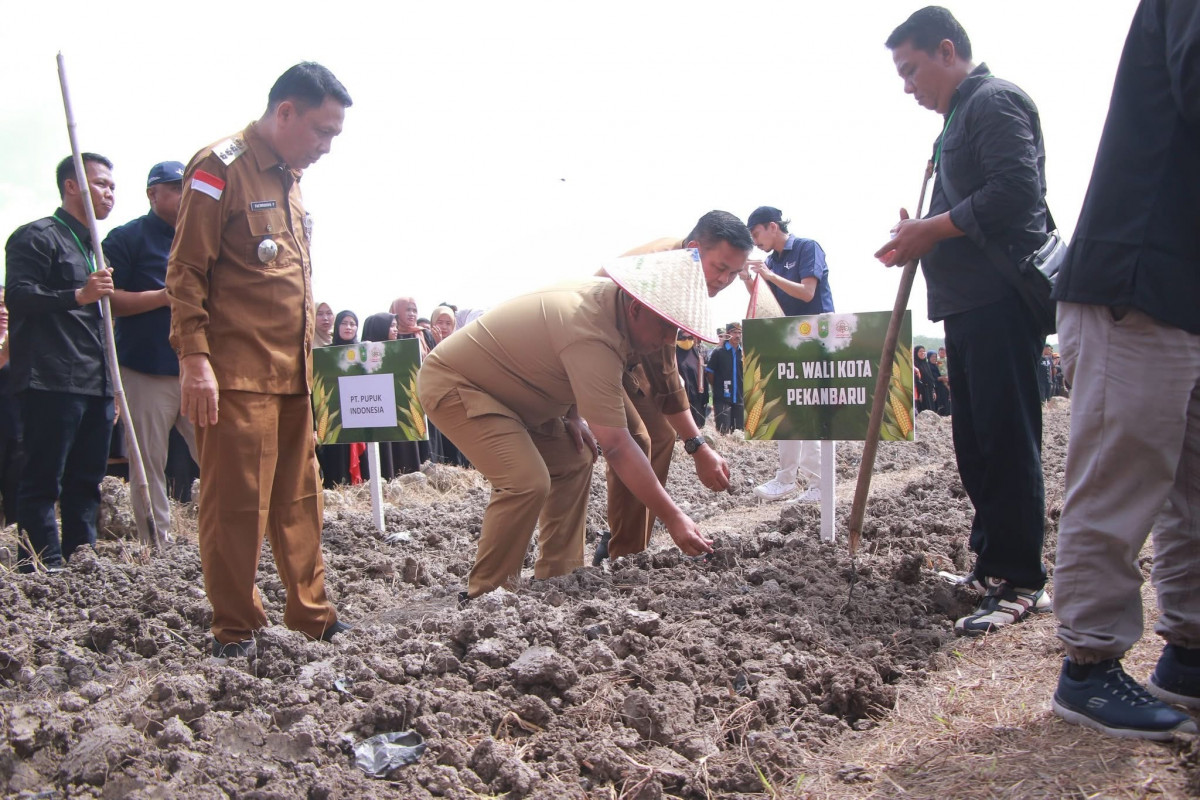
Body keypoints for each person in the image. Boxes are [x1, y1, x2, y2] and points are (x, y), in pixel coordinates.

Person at [1049, 0, 1200, 740]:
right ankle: (1089, 666)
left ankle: (1191, 653)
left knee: (1195, 491)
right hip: (1135, 284)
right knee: (1120, 480)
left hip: (1186, 291)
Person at [167, 62, 352, 660]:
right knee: (236, 507)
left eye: (334, 136)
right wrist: (195, 359)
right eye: (322, 131)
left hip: (293, 375)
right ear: (286, 112)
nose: (326, 147)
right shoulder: (219, 169)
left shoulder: (291, 179)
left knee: (301, 502)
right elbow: (186, 271)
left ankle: (311, 614)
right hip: (236, 375)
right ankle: (236, 628)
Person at [877, 7, 1051, 635]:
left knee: (1006, 438)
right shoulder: (954, 121)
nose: (907, 86)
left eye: (911, 68)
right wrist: (915, 236)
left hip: (1001, 301)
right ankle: (991, 565)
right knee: (975, 441)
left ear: (946, 50)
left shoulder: (995, 102)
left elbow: (1016, 192)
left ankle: (1022, 580)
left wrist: (934, 228)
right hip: (967, 306)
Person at [418, 251, 716, 597]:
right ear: (636, 308)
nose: (669, 339)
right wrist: (673, 517)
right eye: (666, 326)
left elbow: (557, 354)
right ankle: (487, 596)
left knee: (575, 457)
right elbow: (618, 445)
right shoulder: (592, 329)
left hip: (520, 394)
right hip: (460, 384)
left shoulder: (612, 309)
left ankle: (558, 577)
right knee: (525, 481)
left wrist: (573, 414)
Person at [595, 211, 749, 565]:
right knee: (637, 439)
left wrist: (695, 445)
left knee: (662, 436)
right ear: (695, 249)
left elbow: (663, 376)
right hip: (596, 346)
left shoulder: (685, 267)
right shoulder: (664, 273)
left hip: (628, 354)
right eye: (720, 268)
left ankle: (631, 544)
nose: (724, 280)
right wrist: (698, 447)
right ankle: (625, 551)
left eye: (734, 273)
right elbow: (664, 374)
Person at [5, 153, 116, 573]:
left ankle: (80, 560)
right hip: (50, 378)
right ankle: (41, 567)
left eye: (111, 186)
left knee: (86, 484)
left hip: (97, 381)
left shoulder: (97, 249)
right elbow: (18, 296)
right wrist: (77, 295)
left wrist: (113, 385)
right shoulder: (36, 237)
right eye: (101, 184)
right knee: (42, 481)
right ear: (72, 186)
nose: (109, 193)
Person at [103, 161, 200, 542]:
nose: (183, 195)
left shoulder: (201, 238)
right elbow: (109, 301)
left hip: (198, 369)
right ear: (152, 194)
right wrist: (164, 297)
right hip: (145, 369)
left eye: (188, 187)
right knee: (148, 464)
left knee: (219, 458)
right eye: (175, 188)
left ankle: (226, 536)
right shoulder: (126, 238)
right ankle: (156, 544)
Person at [744, 206, 836, 504]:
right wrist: (750, 280)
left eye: (757, 234)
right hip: (788, 339)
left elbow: (808, 293)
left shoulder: (808, 248)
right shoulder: (772, 261)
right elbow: (770, 303)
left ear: (773, 226)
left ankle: (819, 482)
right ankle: (785, 479)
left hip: (817, 336)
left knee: (811, 409)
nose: (756, 242)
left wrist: (769, 275)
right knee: (787, 408)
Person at [706, 321, 744, 434]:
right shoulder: (719, 352)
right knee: (723, 431)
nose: (737, 335)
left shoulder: (743, 353)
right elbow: (710, 374)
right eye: (734, 332)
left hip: (739, 398)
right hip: (722, 398)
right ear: (728, 334)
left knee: (738, 433)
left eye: (739, 333)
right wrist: (718, 387)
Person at [675, 332, 708, 429]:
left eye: (689, 338)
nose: (686, 341)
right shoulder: (674, 357)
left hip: (697, 399)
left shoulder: (698, 357)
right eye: (683, 338)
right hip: (680, 400)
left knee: (697, 428)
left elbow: (703, 378)